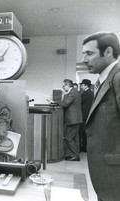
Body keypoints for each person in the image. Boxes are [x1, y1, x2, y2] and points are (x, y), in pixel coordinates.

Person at [82, 32, 120, 201]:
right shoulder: (103, 81)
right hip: (106, 176)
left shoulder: (118, 79)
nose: (84, 59)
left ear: (108, 52)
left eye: (89, 53)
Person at [60, 79, 82, 161]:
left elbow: (64, 104)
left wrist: (64, 94)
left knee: (68, 138)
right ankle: (73, 154)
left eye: (63, 86)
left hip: (73, 119)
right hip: (75, 119)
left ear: (67, 85)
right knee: (74, 138)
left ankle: (75, 156)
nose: (63, 87)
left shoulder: (72, 92)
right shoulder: (74, 91)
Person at [79, 79, 94, 152]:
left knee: (81, 132)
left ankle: (83, 148)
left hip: (84, 115)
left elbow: (80, 101)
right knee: (84, 133)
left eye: (82, 85)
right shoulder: (90, 92)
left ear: (85, 85)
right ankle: (85, 148)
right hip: (87, 114)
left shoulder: (86, 93)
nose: (81, 87)